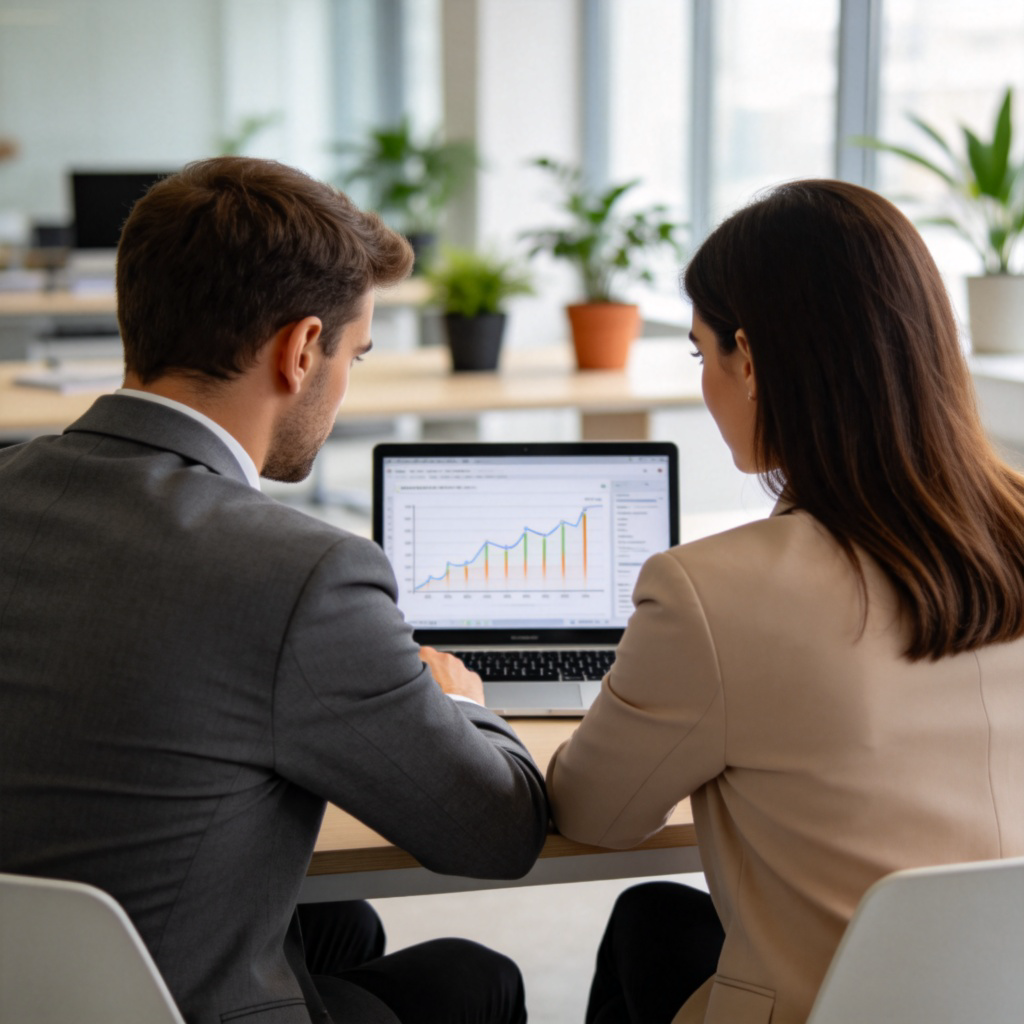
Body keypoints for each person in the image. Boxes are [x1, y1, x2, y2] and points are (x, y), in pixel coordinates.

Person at [0, 157, 549, 1024]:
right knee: (468, 977)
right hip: (168, 1002)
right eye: (354, 355)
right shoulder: (303, 574)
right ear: (300, 350)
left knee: (342, 927)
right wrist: (463, 703)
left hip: (31, 978)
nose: (344, 385)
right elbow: (496, 832)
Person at [546, 179, 1024, 1024]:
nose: (704, 381)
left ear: (752, 359)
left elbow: (596, 814)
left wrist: (471, 710)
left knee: (651, 927)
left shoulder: (711, 593)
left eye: (702, 354)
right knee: (658, 922)